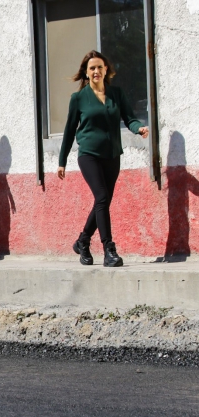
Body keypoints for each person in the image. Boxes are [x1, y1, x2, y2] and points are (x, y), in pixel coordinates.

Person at [57, 50, 149, 267]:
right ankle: (109, 250)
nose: (96, 71)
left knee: (103, 201)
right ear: (86, 73)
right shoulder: (78, 98)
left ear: (106, 69)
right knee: (101, 197)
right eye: (92, 68)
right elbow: (70, 131)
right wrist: (62, 161)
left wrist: (139, 129)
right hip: (89, 155)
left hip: (112, 155)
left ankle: (83, 241)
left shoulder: (116, 94)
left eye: (99, 67)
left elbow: (129, 118)